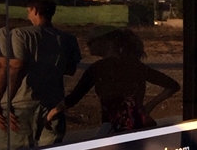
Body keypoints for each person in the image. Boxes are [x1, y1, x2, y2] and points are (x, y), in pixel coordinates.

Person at [0, 0, 81, 150]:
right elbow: (71, 69)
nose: (28, 15)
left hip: (20, 105)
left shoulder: (20, 34)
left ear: (34, 10)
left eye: (28, 11)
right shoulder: (68, 39)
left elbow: (12, 67)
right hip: (53, 105)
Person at [48, 28, 180, 134]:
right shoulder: (137, 66)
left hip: (113, 129)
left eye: (91, 41)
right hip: (140, 126)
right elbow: (172, 86)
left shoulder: (98, 68)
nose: (88, 45)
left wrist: (52, 113)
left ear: (108, 43)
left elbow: (74, 98)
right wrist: (147, 107)